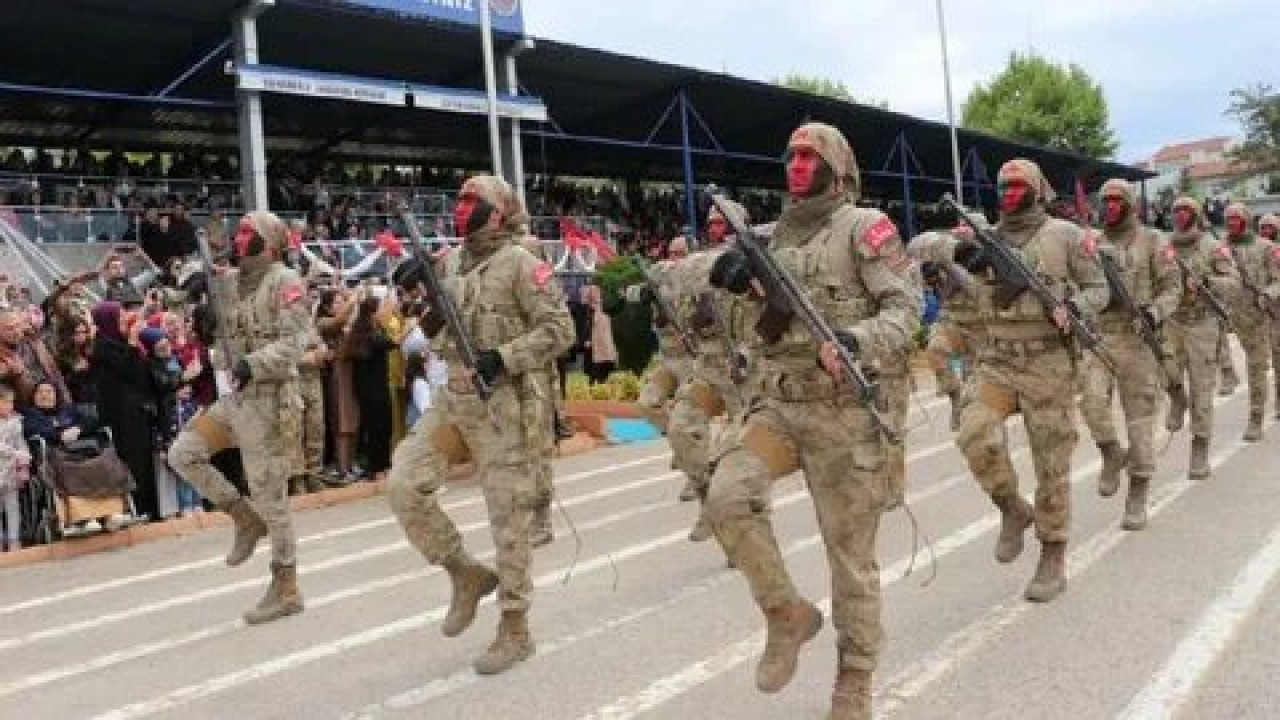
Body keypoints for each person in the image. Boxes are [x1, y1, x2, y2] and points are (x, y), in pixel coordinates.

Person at [703, 123, 921, 718]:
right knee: (726, 496)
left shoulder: (863, 229)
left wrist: (856, 338)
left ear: (836, 165)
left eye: (808, 156)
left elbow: (905, 313)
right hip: (779, 404)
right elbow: (753, 329)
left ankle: (854, 681)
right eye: (790, 155)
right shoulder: (768, 238)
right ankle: (785, 613)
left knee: (849, 558)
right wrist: (734, 288)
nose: (795, 165)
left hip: (844, 413)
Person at [386, 175, 574, 675]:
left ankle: (516, 627)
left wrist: (504, 357)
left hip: (506, 408)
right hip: (456, 402)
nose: (460, 207)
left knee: (508, 524)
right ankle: (464, 572)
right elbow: (433, 330)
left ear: (496, 213)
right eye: (460, 198)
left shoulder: (522, 264)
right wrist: (420, 295)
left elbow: (561, 329)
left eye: (472, 201)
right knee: (403, 483)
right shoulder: (448, 262)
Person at [953, 158, 1109, 605]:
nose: (1008, 191)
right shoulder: (986, 237)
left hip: (1048, 364)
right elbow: (935, 253)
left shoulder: (1067, 236)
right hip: (998, 359)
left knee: (1051, 462)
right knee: (974, 431)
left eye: (1018, 185)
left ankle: (1053, 553)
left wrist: (1075, 307)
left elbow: (1099, 287)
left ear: (1038, 190)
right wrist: (956, 253)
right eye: (1002, 185)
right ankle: (1011, 508)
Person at [167, 210, 311, 625]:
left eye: (248, 232)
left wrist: (253, 362)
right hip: (236, 402)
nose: (238, 236)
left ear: (268, 242)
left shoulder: (285, 282)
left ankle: (286, 585)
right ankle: (243, 517)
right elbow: (188, 305)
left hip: (270, 401)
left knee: (273, 498)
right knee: (184, 453)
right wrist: (193, 289)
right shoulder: (228, 283)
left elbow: (295, 343)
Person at [1078, 179, 1181, 531]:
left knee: (1139, 422)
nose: (1109, 206)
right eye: (1104, 200)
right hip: (1102, 336)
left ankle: (1138, 490)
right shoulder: (1091, 242)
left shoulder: (1154, 240)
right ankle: (1110, 451)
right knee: (1091, 401)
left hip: (1139, 340)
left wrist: (1153, 313)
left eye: (1116, 200)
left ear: (1130, 204)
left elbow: (1172, 289)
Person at [665, 206, 751, 543]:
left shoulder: (754, 262)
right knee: (681, 429)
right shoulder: (702, 266)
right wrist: (697, 314)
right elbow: (684, 310)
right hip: (708, 369)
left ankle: (741, 525)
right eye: (711, 222)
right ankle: (707, 502)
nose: (715, 228)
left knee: (736, 454)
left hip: (744, 373)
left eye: (721, 222)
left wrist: (747, 350)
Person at [1163, 197, 1236, 479]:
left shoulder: (1212, 247)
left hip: (1202, 324)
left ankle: (1200, 447)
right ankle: (1177, 399)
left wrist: (1207, 282)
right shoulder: (1165, 245)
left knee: (1202, 388)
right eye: (1176, 210)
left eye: (1185, 211)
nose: (1180, 216)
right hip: (1171, 321)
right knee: (1166, 373)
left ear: (1195, 214)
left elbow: (1232, 283)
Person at [89, 301, 159, 522]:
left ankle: (148, 508)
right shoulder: (102, 347)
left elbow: (140, 374)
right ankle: (136, 508)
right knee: (130, 461)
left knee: (142, 460)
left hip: (134, 412)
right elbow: (129, 370)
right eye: (118, 318)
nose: (123, 322)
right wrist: (131, 342)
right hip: (120, 416)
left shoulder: (118, 343)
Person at [1218, 203, 1280, 441]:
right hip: (1227, 313)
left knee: (1257, 367)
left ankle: (1256, 417)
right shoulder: (1219, 248)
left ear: (1245, 221)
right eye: (1228, 219)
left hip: (1256, 317)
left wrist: (1266, 295)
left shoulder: (1266, 248)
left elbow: (1277, 280)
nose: (1232, 223)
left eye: (1236, 219)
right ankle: (1227, 373)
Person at [0, 384, 29, 551]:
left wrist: (25, 457)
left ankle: (14, 540)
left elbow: (21, 442)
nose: (10, 406)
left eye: (12, 402)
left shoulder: (16, 421)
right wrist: (14, 452)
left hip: (11, 470)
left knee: (12, 505)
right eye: (6, 402)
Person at [1259, 213, 1280, 417]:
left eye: (1270, 228)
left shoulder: (1275, 252)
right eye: (1263, 227)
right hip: (1265, 312)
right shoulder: (1258, 251)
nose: (1266, 231)